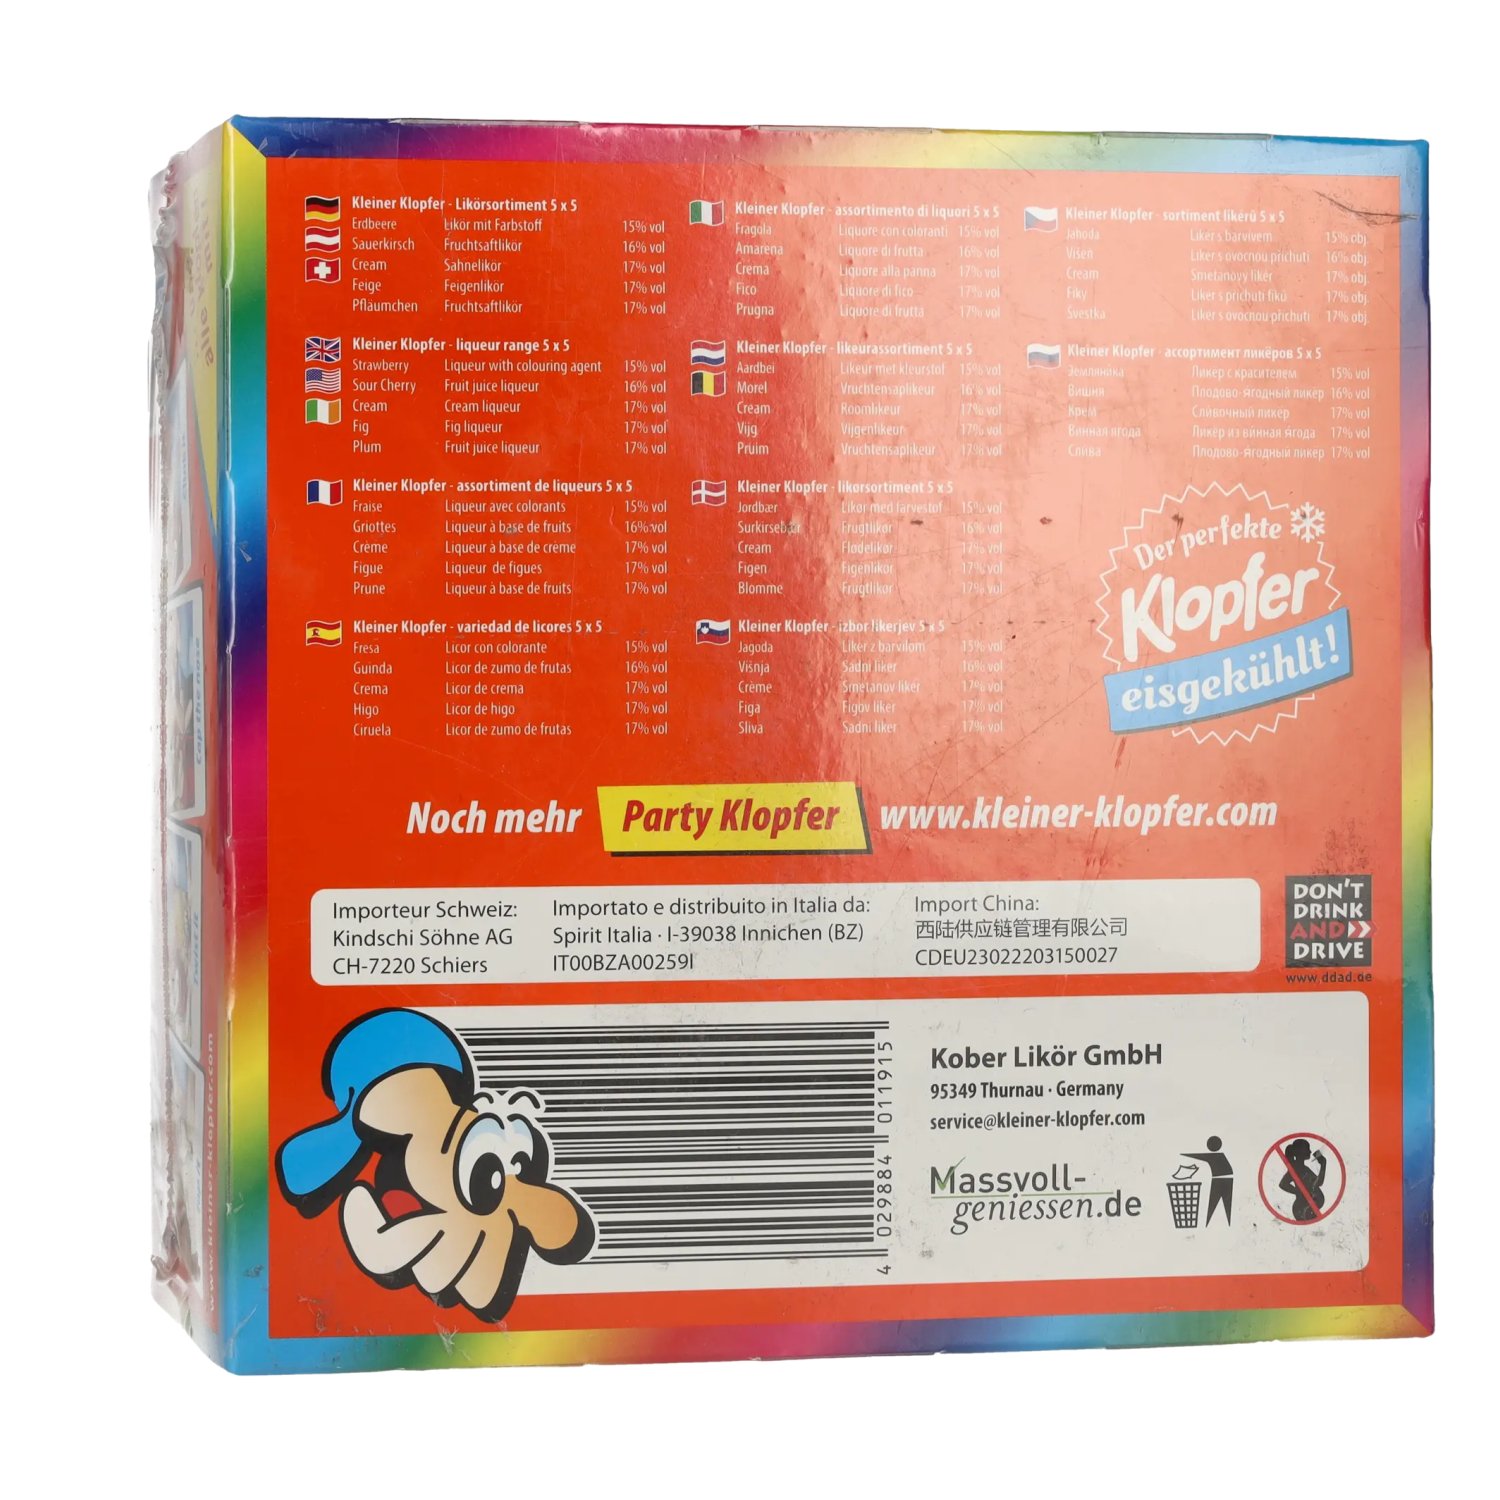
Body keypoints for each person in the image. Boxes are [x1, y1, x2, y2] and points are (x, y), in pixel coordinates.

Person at [1181, 1135, 1234, 1225]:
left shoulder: (1217, 1156)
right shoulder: (1220, 1156)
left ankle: (1213, 1223)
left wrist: (1185, 1155)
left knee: (1217, 1205)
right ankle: (1213, 1223)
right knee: (1219, 1205)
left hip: (1221, 1180)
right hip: (1225, 1179)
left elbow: (1202, 1156)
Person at [1279, 1138, 1328, 1221]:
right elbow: (1283, 1184)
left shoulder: (1304, 1168)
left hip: (1307, 1207)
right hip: (1303, 1209)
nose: (1310, 1151)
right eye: (1307, 1149)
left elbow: (1318, 1182)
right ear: (1301, 1152)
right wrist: (1299, 1192)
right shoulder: (1295, 1169)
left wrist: (1323, 1165)